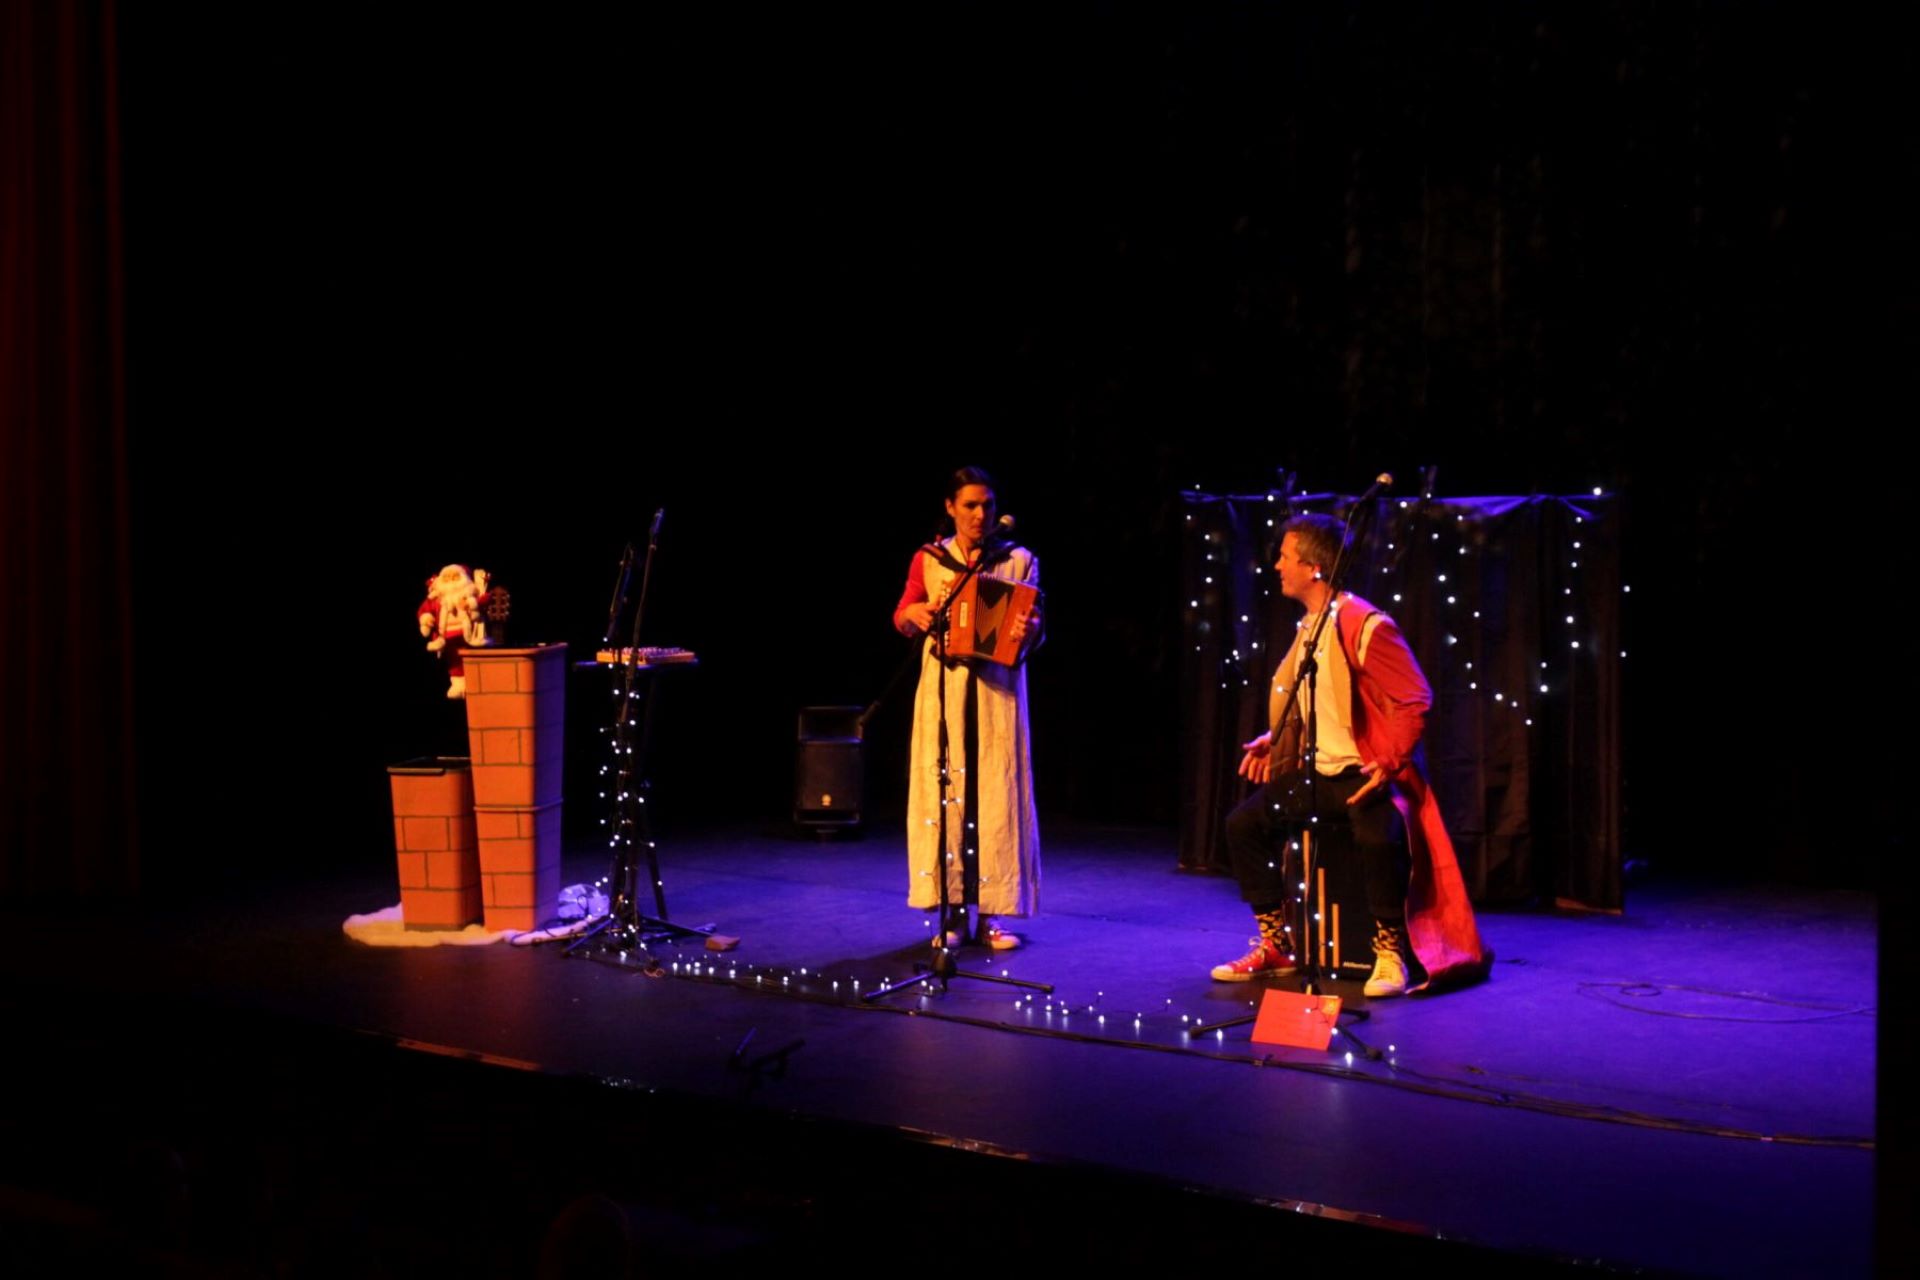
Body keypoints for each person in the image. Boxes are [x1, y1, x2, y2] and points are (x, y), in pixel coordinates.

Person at [1212, 513, 1489, 996]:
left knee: (1378, 837)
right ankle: (1276, 945)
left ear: (1314, 567)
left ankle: (1388, 952)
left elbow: (1414, 698)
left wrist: (1389, 761)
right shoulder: (1311, 627)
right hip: (1318, 773)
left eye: (1284, 556)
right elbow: (1315, 701)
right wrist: (1274, 738)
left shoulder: (1366, 624)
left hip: (1363, 773)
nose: (1276, 565)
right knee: (1244, 825)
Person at [892, 467, 1042, 950]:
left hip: (997, 693)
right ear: (950, 507)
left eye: (988, 506)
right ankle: (952, 914)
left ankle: (993, 915)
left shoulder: (1017, 560)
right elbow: (904, 613)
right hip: (945, 694)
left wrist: (1030, 631)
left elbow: (1037, 623)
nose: (981, 515)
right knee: (949, 796)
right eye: (971, 505)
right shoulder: (930, 559)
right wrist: (913, 615)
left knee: (995, 797)